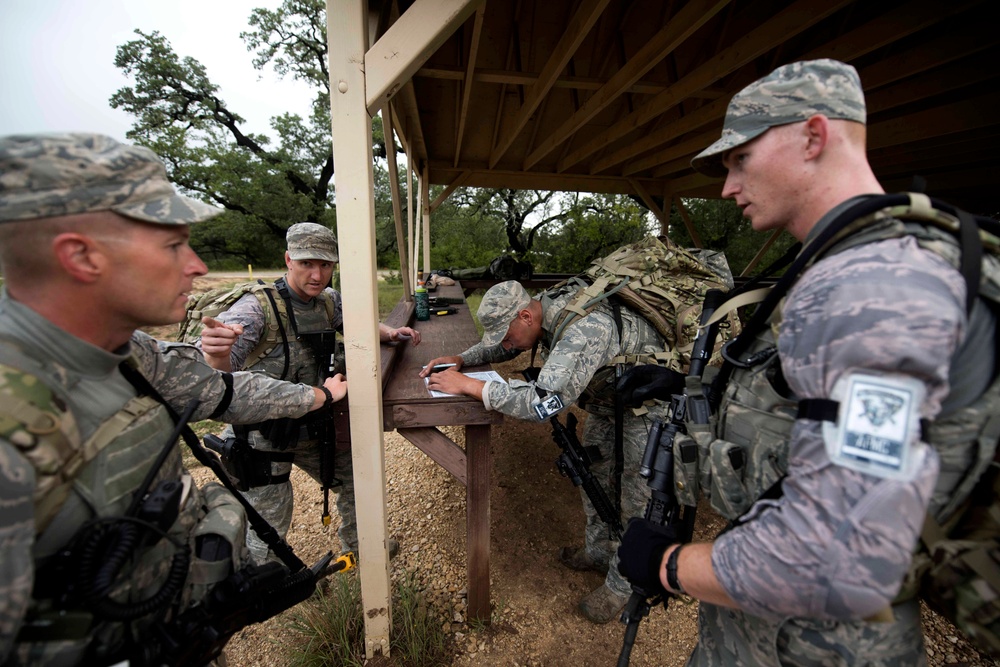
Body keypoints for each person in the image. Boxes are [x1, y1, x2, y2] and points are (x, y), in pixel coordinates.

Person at [616, 59, 999, 664]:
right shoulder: (877, 258)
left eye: (741, 158)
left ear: (814, 136)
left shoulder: (868, 287)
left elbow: (834, 558)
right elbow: (805, 407)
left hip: (813, 643)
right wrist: (698, 390)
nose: (727, 186)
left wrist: (667, 564)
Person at [0, 132, 348, 666]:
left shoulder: (129, 352)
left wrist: (314, 396)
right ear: (80, 255)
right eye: (171, 245)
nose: (197, 266)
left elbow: (223, 388)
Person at [419, 279, 677, 624]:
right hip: (610, 402)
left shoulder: (584, 330)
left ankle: (624, 584)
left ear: (526, 315)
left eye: (507, 335)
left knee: (636, 497)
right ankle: (599, 551)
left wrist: (469, 385)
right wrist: (463, 359)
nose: (506, 345)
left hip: (648, 410)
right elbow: (508, 346)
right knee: (593, 476)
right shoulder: (544, 308)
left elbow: (541, 404)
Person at [196, 221, 419, 563]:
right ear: (288, 260)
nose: (317, 275)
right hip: (261, 434)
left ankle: (362, 552)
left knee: (358, 482)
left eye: (325, 265)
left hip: (313, 423)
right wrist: (218, 352)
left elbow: (357, 325)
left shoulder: (328, 301)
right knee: (269, 520)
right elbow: (219, 380)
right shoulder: (257, 308)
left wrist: (389, 333)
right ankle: (266, 584)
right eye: (307, 264)